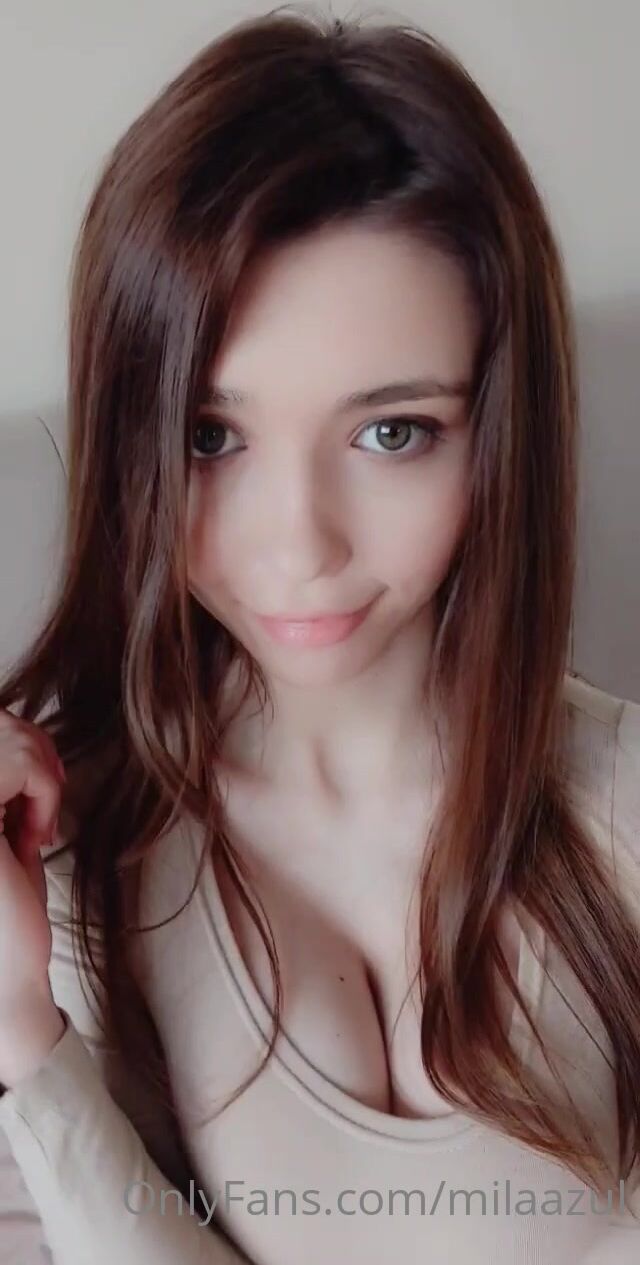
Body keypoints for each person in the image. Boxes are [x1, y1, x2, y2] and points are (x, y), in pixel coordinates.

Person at [0, 6, 639, 1263]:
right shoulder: (60, 859)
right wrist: (27, 1035)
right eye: (211, 436)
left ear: (501, 437)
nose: (298, 544)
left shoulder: (618, 814)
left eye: (392, 432)